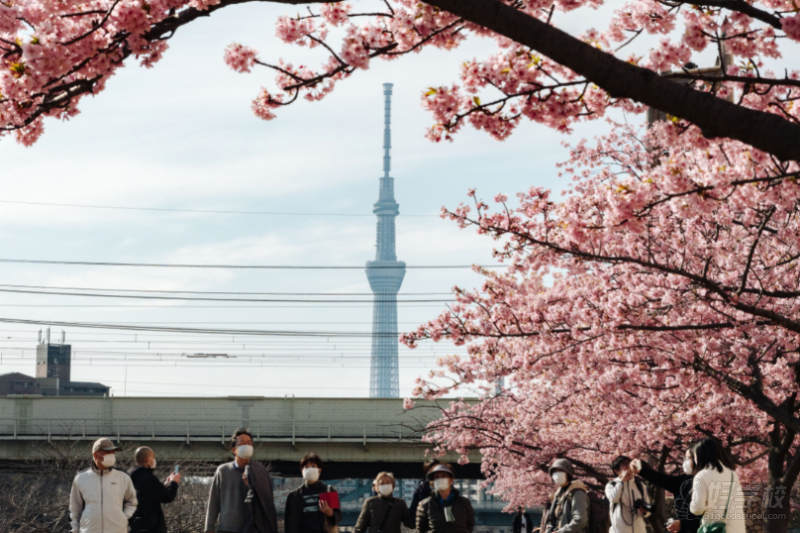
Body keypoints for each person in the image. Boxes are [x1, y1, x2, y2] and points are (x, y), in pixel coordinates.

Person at [205, 427, 278, 533]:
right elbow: (214, 502)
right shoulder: (223, 470)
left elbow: (267, 500)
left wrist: (252, 486)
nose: (247, 446)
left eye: (249, 443)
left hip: (253, 528)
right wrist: (209, 528)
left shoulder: (259, 470)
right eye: (242, 443)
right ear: (233, 449)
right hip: (227, 528)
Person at [69, 437, 138, 533]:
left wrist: (124, 519)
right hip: (89, 530)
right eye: (107, 452)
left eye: (113, 452)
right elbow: (75, 508)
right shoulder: (81, 478)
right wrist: (75, 529)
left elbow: (132, 502)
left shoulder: (123, 477)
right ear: (96, 454)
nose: (112, 455)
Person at [630, 453, 701, 533]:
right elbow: (660, 479)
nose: (685, 461)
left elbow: (710, 517)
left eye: (689, 458)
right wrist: (641, 469)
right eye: (684, 458)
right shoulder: (684, 480)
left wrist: (683, 524)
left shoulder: (709, 482)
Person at [687, 439, 745, 533]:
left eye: (695, 455)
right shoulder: (732, 474)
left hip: (714, 528)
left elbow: (697, 508)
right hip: (737, 528)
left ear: (701, 455)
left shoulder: (702, 476)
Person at [285, 453, 343, 533]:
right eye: (306, 467)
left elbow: (338, 516)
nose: (310, 470)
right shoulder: (294, 496)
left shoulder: (328, 491)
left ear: (319, 470)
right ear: (302, 471)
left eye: (313, 467)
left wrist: (330, 513)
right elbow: (288, 524)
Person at [129, 446, 181, 533]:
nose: (154, 460)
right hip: (150, 528)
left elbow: (150, 494)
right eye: (153, 457)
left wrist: (166, 485)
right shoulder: (147, 478)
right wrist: (174, 482)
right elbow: (167, 497)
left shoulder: (131, 476)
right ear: (148, 459)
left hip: (135, 527)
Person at [416, 463, 475, 533]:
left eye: (443, 476)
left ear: (451, 480)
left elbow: (470, 526)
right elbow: (420, 530)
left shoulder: (464, 503)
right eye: (437, 477)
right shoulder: (424, 504)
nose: (440, 479)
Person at [605, 456, 650, 533]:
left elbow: (648, 508)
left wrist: (645, 511)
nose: (629, 466)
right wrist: (623, 481)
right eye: (625, 465)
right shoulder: (611, 485)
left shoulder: (640, 485)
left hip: (639, 530)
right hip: (619, 530)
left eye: (629, 463)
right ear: (616, 471)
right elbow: (613, 498)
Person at [543, 458, 589, 533]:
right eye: (554, 472)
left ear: (568, 473)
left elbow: (580, 520)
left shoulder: (578, 493)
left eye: (560, 471)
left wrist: (560, 532)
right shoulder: (558, 494)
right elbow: (552, 520)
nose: (557, 474)